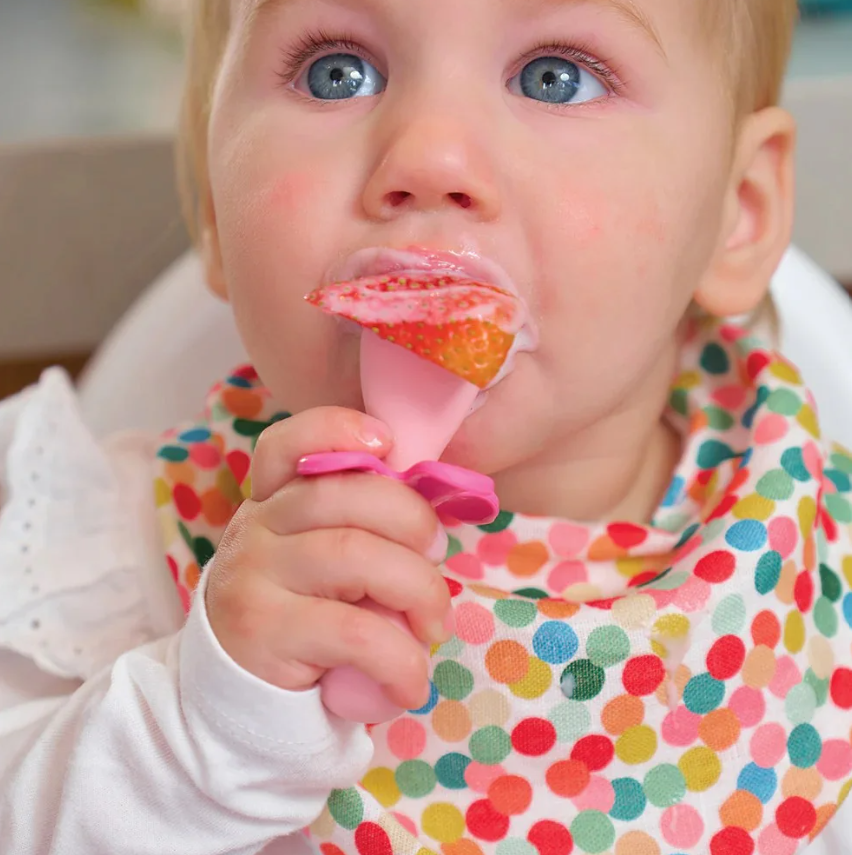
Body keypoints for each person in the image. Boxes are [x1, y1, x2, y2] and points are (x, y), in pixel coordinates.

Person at [3, 0, 848, 853]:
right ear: (218, 206)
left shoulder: (826, 577)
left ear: (737, 210)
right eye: (337, 71)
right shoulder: (99, 552)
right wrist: (200, 722)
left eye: (555, 77)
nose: (430, 156)